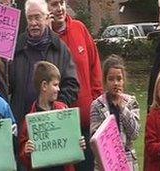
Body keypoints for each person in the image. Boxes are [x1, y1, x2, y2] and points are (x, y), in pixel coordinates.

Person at [46, 0, 103, 169]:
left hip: (86, 120)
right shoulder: (44, 38)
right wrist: (47, 35)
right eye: (54, 4)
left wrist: (96, 100)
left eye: (62, 2)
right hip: (59, 123)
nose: (60, 8)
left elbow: (95, 66)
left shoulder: (79, 28)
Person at [10, 0, 79, 125]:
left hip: (53, 123)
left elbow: (71, 84)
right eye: (30, 18)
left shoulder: (59, 48)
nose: (33, 23)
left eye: (37, 17)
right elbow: (8, 85)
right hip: (23, 121)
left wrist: (58, 106)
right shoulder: (16, 48)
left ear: (47, 18)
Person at [19, 61, 85, 170]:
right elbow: (24, 158)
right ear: (44, 86)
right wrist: (26, 151)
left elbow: (73, 144)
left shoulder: (63, 110)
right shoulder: (29, 121)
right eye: (55, 85)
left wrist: (79, 144)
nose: (59, 89)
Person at [90, 54, 140, 171]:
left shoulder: (131, 102)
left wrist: (122, 107)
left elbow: (135, 133)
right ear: (105, 81)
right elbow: (95, 139)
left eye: (119, 79)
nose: (115, 83)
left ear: (124, 80)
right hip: (106, 162)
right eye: (111, 79)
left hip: (127, 161)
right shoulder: (97, 105)